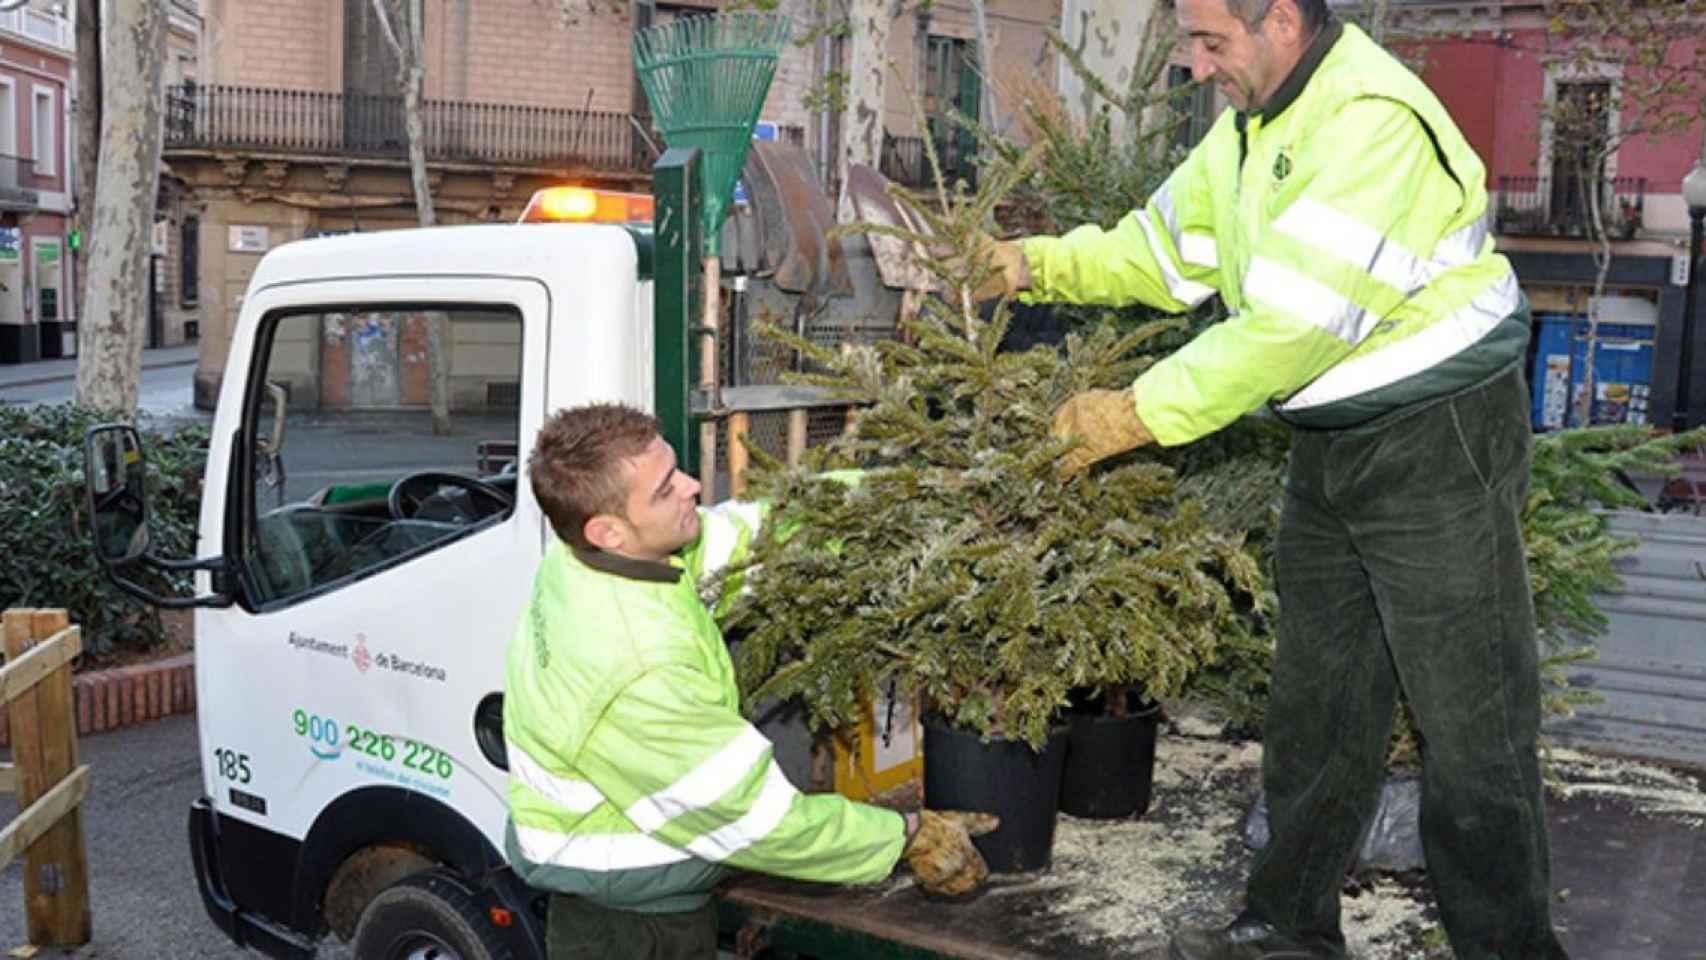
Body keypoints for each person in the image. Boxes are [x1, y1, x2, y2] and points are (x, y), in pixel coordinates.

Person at [972, 1, 1570, 958]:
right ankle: (1285, 929)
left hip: (1435, 435)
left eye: (1215, 43)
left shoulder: (1370, 119)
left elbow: (1290, 329)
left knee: (1474, 722)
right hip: (1334, 438)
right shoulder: (1253, 126)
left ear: (1282, 20)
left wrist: (1136, 412)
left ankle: (1508, 949)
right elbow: (1162, 255)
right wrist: (1033, 264)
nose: (1201, 67)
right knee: (1319, 702)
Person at [504, 402, 997, 960]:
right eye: (666, 488)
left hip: (644, 888)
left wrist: (894, 496)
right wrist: (906, 835)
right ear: (608, 529)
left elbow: (752, 537)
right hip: (623, 920)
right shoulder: (633, 665)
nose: (692, 486)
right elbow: (753, 819)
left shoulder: (590, 558)